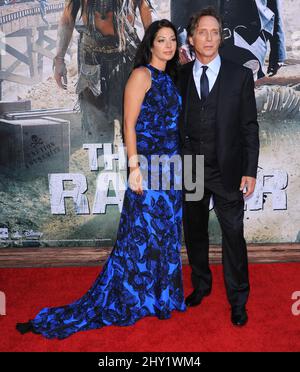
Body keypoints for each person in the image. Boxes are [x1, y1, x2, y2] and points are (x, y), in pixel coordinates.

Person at [16, 19, 186, 339]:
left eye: (172, 40)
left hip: (170, 170)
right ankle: (135, 297)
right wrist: (134, 168)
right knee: (140, 236)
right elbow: (130, 125)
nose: (167, 45)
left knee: (164, 236)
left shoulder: (171, 78)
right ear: (150, 44)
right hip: (147, 168)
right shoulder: (141, 76)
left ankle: (161, 297)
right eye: (161, 39)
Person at [178, 8, 259, 326]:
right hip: (193, 167)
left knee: (233, 235)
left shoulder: (240, 75)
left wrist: (250, 170)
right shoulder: (180, 76)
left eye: (214, 32)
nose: (209, 38)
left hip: (228, 171)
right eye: (202, 32)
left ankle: (238, 300)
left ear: (220, 37)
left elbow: (249, 127)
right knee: (194, 232)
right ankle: (201, 285)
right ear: (192, 38)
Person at [53, 0, 153, 144]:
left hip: (127, 59)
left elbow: (149, 19)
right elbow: (68, 20)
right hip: (92, 62)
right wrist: (59, 59)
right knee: (97, 131)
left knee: (134, 127)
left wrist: (154, 57)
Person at [171, 0, 286, 79]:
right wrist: (181, 43)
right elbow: (179, 8)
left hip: (250, 42)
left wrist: (278, 49)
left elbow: (272, 5)